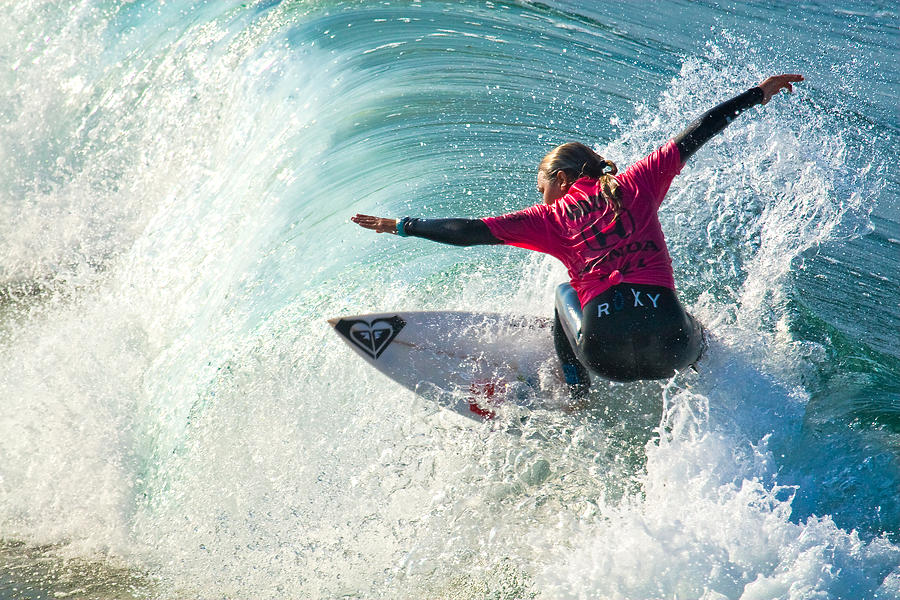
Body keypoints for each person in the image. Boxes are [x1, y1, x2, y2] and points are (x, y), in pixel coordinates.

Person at [352, 74, 804, 399]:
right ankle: (705, 370)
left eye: (542, 188)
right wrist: (757, 94)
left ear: (563, 178)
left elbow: (468, 233)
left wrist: (402, 224)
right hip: (672, 346)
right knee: (697, 327)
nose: (542, 199)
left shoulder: (549, 219)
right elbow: (699, 131)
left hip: (603, 353)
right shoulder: (638, 183)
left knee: (564, 289)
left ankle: (576, 395)